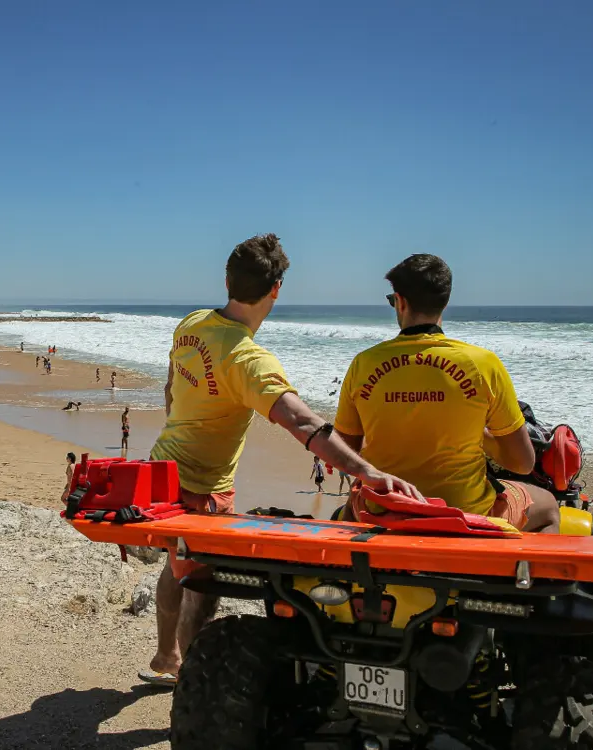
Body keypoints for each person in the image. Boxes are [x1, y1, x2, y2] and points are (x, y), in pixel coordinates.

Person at [141, 234, 418, 688]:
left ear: (227, 280)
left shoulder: (191, 324)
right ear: (276, 290)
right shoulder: (249, 361)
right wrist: (366, 470)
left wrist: (180, 415)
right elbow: (302, 422)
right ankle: (190, 675)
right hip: (206, 487)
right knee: (200, 579)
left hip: (162, 468)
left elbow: (173, 383)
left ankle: (165, 654)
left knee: (175, 559)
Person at [334, 253, 558, 533]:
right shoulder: (483, 364)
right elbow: (523, 463)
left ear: (400, 301)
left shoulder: (363, 364)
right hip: (464, 512)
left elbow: (343, 452)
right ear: (445, 303)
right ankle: (526, 575)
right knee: (548, 505)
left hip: (383, 507)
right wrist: (480, 435)